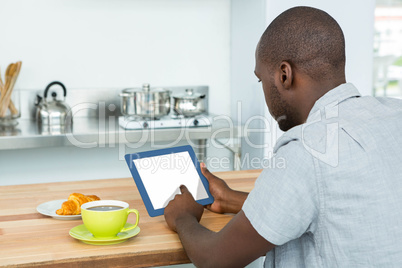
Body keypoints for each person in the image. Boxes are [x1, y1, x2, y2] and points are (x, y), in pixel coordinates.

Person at [164, 6, 402, 268]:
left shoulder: (306, 151)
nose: (263, 91)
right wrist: (232, 199)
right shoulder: (394, 114)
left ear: (284, 75)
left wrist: (183, 217)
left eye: (260, 80)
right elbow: (340, 206)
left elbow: (214, 259)